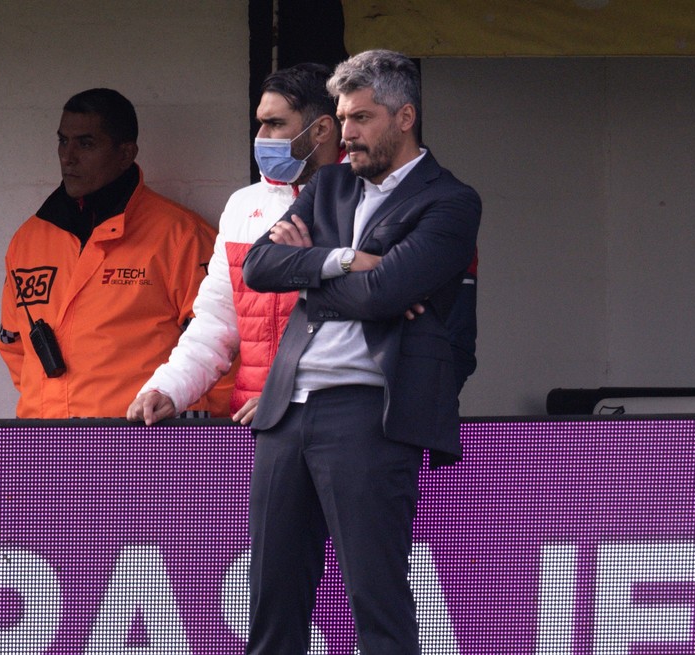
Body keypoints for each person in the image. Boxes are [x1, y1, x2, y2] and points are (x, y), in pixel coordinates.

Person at [240, 50, 481, 654]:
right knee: (271, 604)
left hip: (370, 411)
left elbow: (386, 294)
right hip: (285, 411)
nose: (345, 132)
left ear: (405, 117)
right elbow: (260, 266)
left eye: (362, 117)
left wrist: (311, 275)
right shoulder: (328, 183)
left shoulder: (450, 200)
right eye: (343, 117)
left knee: (377, 603)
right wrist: (346, 261)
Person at [126, 63, 343, 426]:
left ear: (321, 129)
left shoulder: (367, 203)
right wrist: (167, 389)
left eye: (275, 124)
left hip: (333, 422)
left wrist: (290, 397)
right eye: (260, 123)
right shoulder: (243, 205)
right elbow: (215, 323)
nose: (261, 136)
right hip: (250, 423)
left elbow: (362, 333)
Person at [0, 88, 231, 418]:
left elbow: (224, 343)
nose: (68, 156)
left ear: (125, 153)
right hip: (45, 437)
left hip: (142, 439)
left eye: (86, 144)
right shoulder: (29, 240)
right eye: (63, 141)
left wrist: (196, 431)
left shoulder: (180, 236)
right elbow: (13, 345)